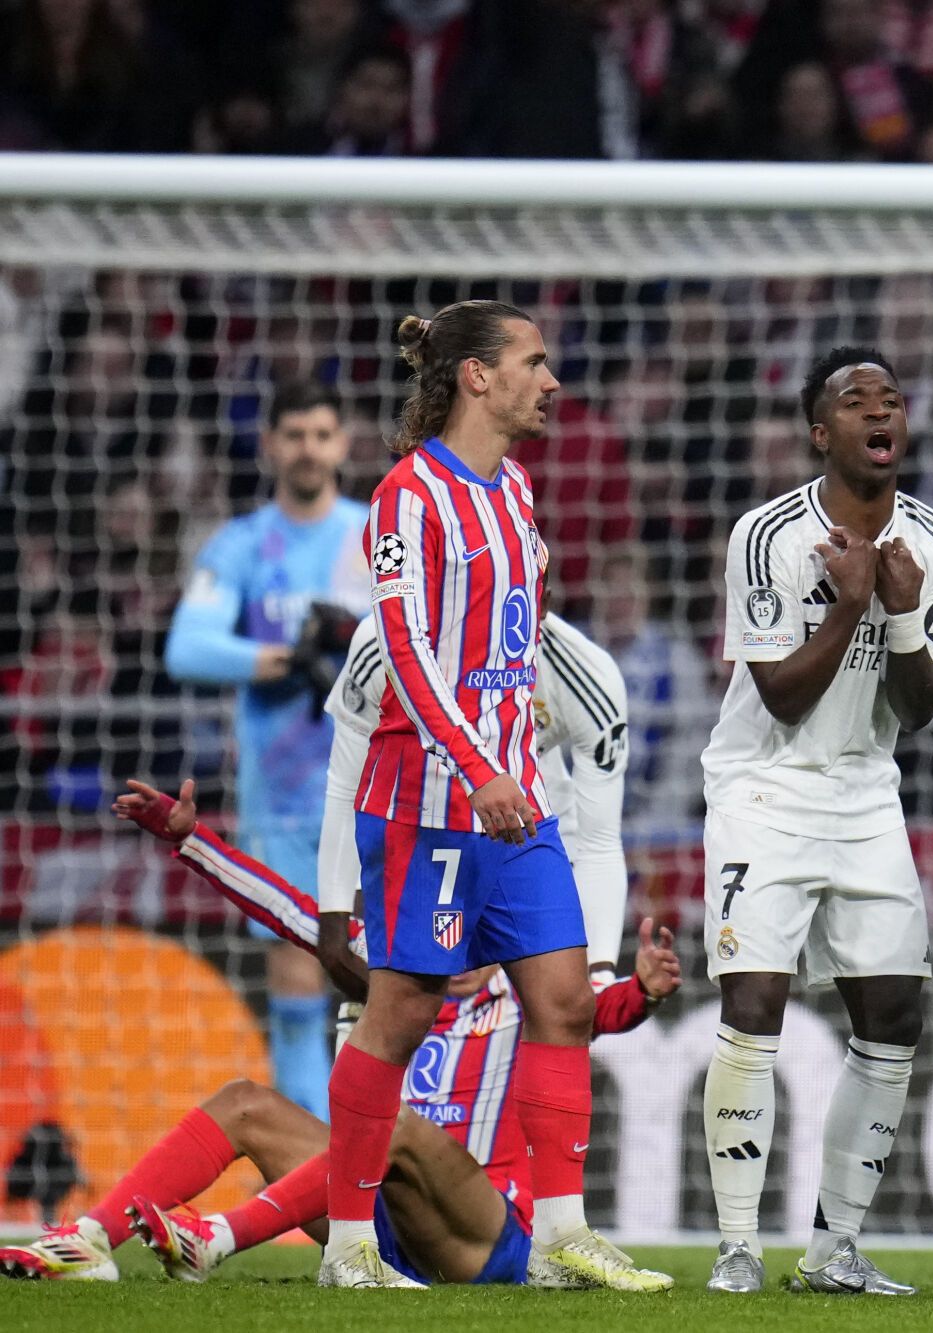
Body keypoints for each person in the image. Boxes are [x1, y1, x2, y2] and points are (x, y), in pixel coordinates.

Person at [0, 777, 678, 1286]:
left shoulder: (526, 983)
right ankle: (89, 1237)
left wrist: (642, 990)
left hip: (484, 1231)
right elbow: (287, 909)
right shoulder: (397, 976)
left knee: (398, 1126)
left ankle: (218, 1235)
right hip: (366, 1214)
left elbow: (594, 1010)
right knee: (245, 1101)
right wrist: (190, 840)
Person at [326, 299, 664, 1291]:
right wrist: (477, 768)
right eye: (533, 362)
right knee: (396, 1018)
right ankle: (348, 1246)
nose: (551, 381)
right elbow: (407, 649)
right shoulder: (406, 498)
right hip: (429, 803)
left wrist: (510, 762)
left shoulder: (513, 488)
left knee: (561, 1000)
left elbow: (505, 640)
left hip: (518, 804)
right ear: (477, 376)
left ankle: (561, 1234)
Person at [698, 346, 933, 1296]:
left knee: (894, 1009)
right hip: (764, 787)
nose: (879, 411)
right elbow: (780, 698)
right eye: (856, 401)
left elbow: (924, 703)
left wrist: (899, 615)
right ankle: (737, 1245)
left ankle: (835, 1246)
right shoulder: (767, 535)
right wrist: (852, 605)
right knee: (754, 1001)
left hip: (866, 790)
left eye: (890, 397)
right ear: (822, 432)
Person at [163, 381, 370, 1122]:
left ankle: (393, 1164)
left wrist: (348, 651)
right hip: (281, 800)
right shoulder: (242, 544)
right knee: (296, 980)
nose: (310, 448)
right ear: (272, 445)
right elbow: (186, 647)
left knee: (392, 987)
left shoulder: (375, 534)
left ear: (343, 443)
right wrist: (286, 659)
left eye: (323, 433)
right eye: (296, 434)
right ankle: (314, 1171)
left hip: (377, 791)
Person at [329, 609, 632, 983]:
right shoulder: (381, 646)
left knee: (559, 1010)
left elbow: (599, 841)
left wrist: (599, 974)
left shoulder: (587, 678)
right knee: (396, 1014)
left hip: (523, 847)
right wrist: (338, 910)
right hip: (414, 841)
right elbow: (347, 788)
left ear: (544, 598)